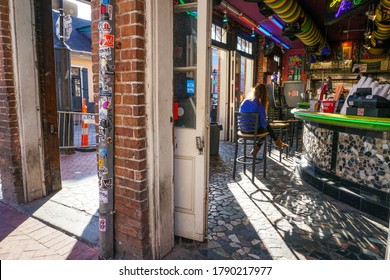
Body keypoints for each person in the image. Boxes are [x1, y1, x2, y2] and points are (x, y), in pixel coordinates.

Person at [239, 83, 288, 156]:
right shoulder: (260, 106)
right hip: (252, 131)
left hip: (242, 129)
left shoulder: (245, 101)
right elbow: (263, 124)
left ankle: (278, 142)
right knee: (266, 132)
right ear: (264, 95)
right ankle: (276, 143)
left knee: (266, 127)